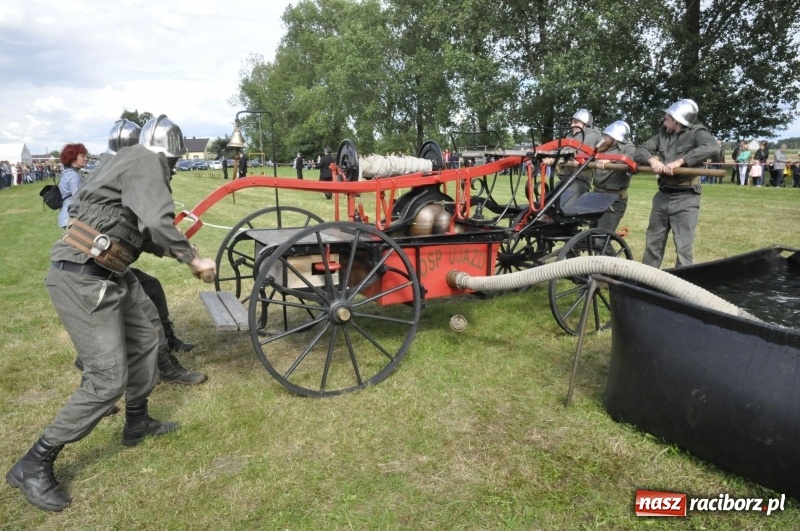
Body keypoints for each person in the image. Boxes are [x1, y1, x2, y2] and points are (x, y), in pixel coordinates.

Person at [5, 115, 217, 512]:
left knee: (146, 341)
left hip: (110, 271)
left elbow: (140, 229)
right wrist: (193, 258)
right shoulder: (146, 160)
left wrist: (173, 248)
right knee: (106, 379)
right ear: (169, 156)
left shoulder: (121, 161)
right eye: (173, 163)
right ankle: (34, 462)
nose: (170, 170)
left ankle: (137, 421)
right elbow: (155, 220)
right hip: (84, 277)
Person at [634, 98, 719, 268]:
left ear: (676, 120)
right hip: (663, 195)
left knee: (683, 249)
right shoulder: (662, 134)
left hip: (686, 197)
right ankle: (645, 284)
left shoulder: (697, 133)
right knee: (653, 245)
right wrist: (651, 160)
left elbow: (713, 148)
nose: (664, 121)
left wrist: (680, 162)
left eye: (667, 118)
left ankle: (681, 290)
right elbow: (640, 150)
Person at [591, 120, 636, 232]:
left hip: (614, 199)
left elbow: (634, 158)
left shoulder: (628, 147)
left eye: (607, 135)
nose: (604, 137)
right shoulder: (603, 147)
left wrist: (612, 160)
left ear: (614, 136)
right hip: (597, 195)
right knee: (591, 236)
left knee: (601, 239)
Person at [57, 144, 88, 229]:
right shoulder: (73, 175)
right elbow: (78, 198)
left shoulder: (67, 173)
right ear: (73, 158)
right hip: (71, 217)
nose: (86, 159)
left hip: (67, 215)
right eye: (82, 156)